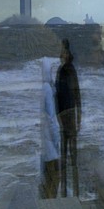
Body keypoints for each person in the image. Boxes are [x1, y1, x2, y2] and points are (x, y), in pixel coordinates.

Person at [55, 39, 82, 196]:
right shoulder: (61, 70)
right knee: (64, 156)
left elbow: (77, 95)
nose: (62, 54)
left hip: (70, 116)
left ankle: (76, 192)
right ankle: (65, 192)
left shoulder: (70, 70)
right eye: (61, 52)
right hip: (64, 117)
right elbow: (57, 96)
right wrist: (57, 117)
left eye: (64, 52)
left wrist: (79, 117)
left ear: (68, 54)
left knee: (73, 158)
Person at [39, 57, 61, 198]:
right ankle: (51, 204)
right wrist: (57, 138)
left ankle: (47, 202)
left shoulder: (42, 87)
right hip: (50, 143)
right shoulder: (47, 89)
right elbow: (51, 117)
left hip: (44, 142)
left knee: (47, 177)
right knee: (55, 176)